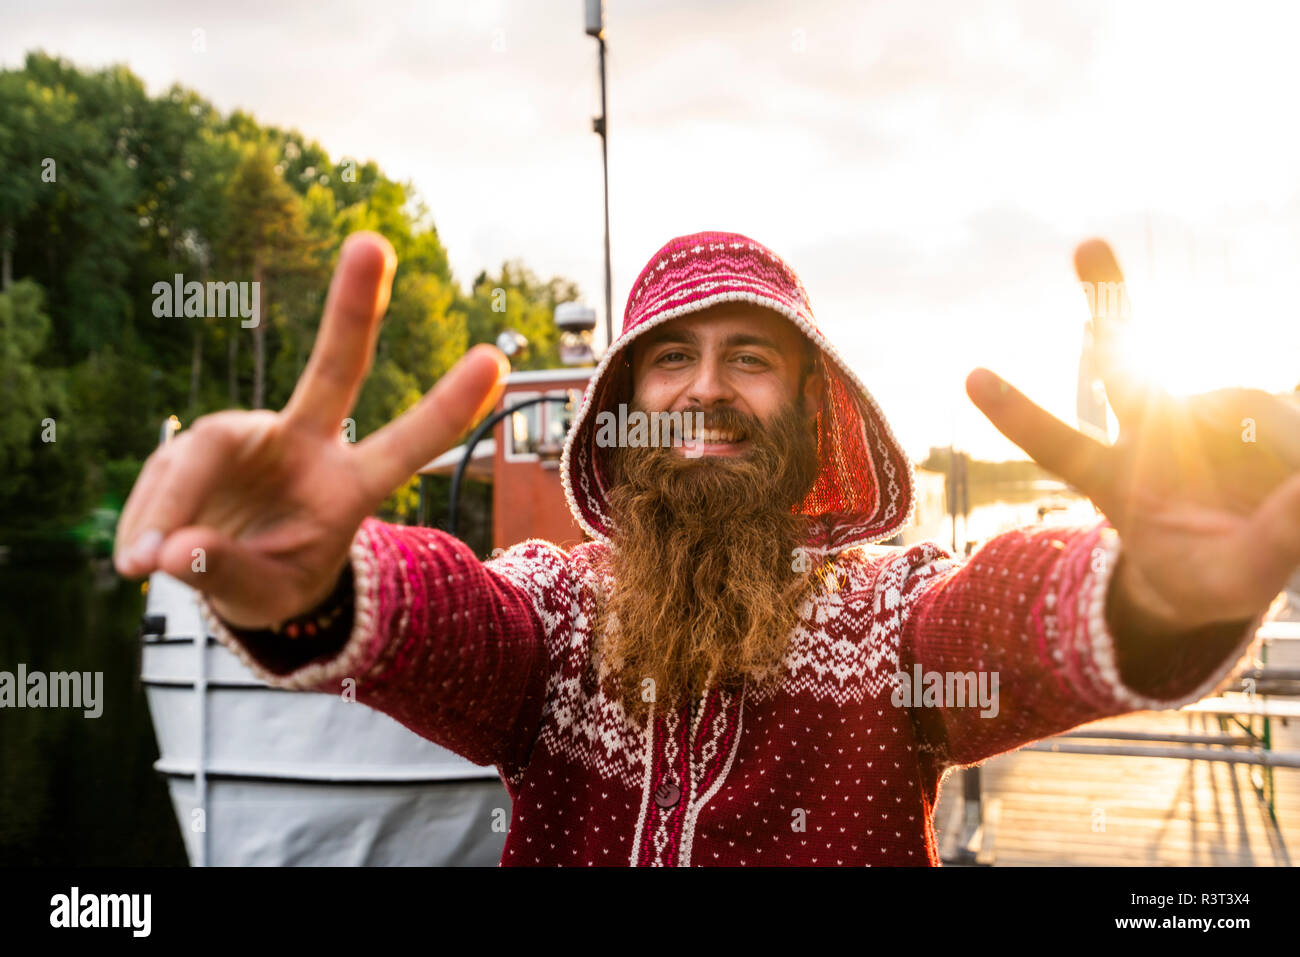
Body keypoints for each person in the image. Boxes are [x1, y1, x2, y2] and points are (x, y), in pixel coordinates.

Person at [114, 230, 1300, 866]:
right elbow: (453, 621)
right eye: (671, 358)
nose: (708, 391)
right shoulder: (559, 620)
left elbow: (1010, 620)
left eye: (752, 357)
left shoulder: (892, 621)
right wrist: (315, 580)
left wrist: (1155, 595)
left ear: (811, 406)